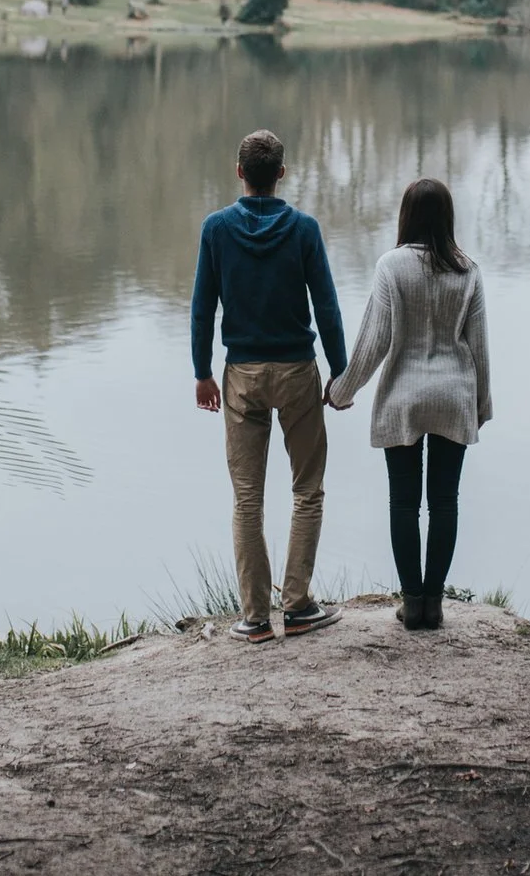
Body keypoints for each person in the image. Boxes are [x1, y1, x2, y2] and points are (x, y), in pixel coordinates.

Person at [191, 129, 347, 641]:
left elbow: (202, 308)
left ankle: (255, 618)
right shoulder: (303, 229)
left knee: (247, 498)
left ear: (240, 173)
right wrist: (340, 371)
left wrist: (202, 372)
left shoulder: (216, 229)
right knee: (307, 490)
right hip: (298, 372)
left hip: (242, 377)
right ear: (280, 173)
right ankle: (298, 606)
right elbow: (325, 304)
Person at [326, 177, 490, 632]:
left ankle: (411, 603)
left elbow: (374, 341)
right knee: (444, 502)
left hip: (403, 397)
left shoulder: (391, 266)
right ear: (447, 218)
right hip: (453, 396)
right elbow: (479, 346)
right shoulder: (468, 270)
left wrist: (341, 390)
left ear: (406, 216)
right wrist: (482, 405)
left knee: (403, 503)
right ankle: (435, 603)